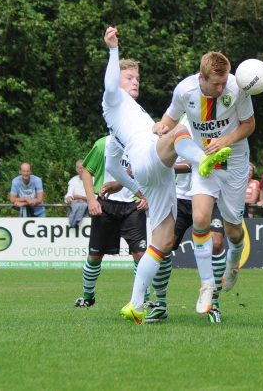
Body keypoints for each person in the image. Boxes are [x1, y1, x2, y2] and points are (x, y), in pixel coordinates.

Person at [100, 26, 230, 323]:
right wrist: (113, 50)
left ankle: (135, 303)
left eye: (137, 77)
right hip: (150, 159)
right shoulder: (113, 100)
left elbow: (112, 167)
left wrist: (138, 190)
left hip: (153, 175)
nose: (135, 81)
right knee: (180, 130)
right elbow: (109, 86)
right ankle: (202, 161)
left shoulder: (124, 117)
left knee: (163, 241)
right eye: (129, 77)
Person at [153, 51, 255, 311]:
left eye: (224, 82)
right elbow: (170, 118)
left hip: (234, 162)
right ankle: (207, 285)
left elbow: (249, 124)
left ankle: (233, 263)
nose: (222, 88)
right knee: (200, 219)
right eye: (216, 84)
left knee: (233, 231)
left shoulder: (237, 87)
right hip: (204, 162)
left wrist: (225, 140)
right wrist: (160, 127)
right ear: (202, 77)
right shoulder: (184, 90)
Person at [146, 157, 227, 323]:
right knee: (163, 246)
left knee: (217, 243)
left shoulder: (212, 133)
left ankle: (213, 304)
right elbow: (162, 161)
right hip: (180, 198)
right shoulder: (175, 133)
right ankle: (160, 304)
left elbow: (220, 163)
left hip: (211, 196)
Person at [73, 135, 148, 308]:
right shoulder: (102, 144)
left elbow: (148, 171)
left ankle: (142, 300)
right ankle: (88, 296)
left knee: (140, 255)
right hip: (105, 204)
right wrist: (91, 200)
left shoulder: (139, 143)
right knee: (95, 256)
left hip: (133, 205)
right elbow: (85, 170)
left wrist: (147, 196)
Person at [65, 160, 89, 227]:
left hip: (89, 209)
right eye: (80, 168)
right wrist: (68, 198)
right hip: (75, 204)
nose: (82, 170)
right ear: (77, 169)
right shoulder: (73, 180)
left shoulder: (93, 180)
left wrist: (80, 197)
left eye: (83, 168)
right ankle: (74, 221)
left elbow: (95, 197)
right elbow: (69, 194)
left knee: (83, 204)